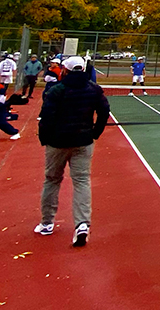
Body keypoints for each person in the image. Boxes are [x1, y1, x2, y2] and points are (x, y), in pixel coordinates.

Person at [35, 56, 110, 246]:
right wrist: (95, 133)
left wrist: (45, 138)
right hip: (83, 141)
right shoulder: (93, 89)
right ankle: (82, 224)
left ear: (65, 70)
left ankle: (47, 223)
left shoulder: (56, 91)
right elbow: (104, 112)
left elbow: (46, 118)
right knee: (82, 181)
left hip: (57, 142)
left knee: (52, 180)